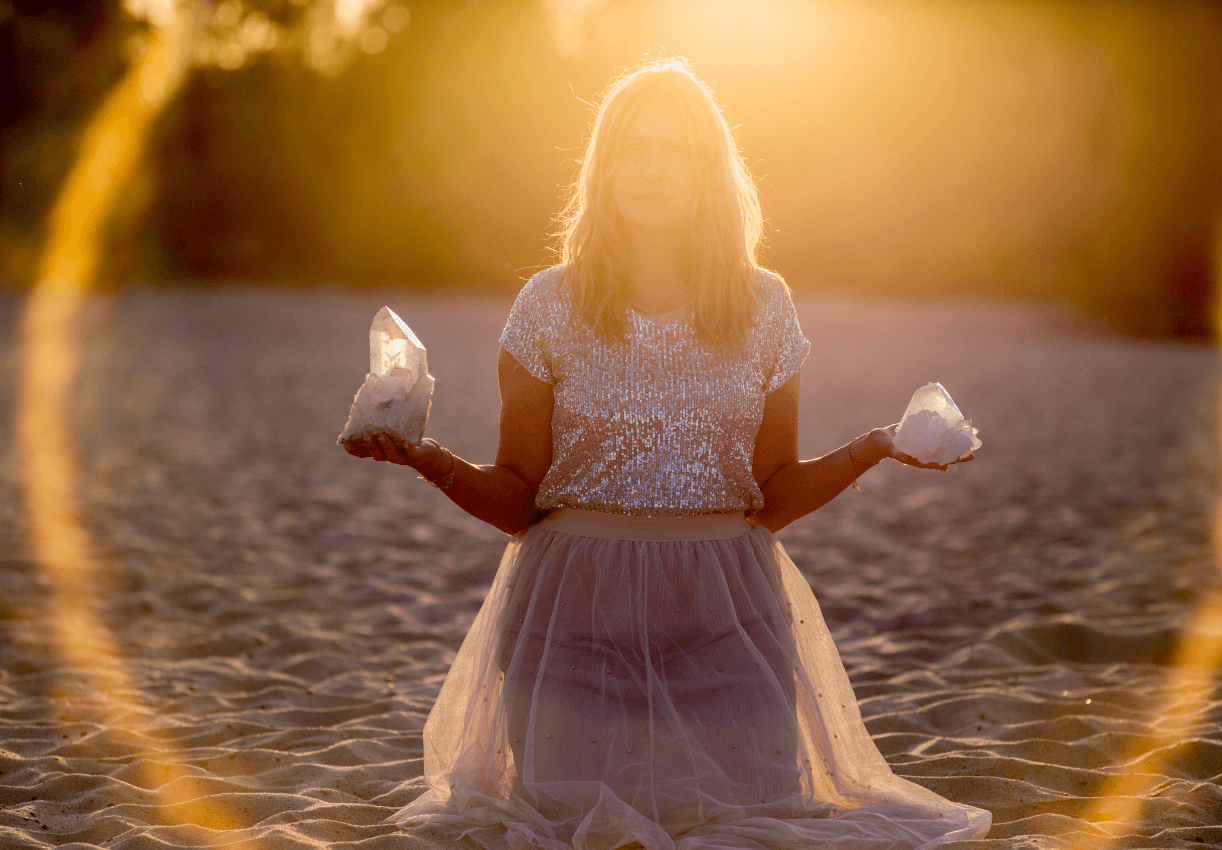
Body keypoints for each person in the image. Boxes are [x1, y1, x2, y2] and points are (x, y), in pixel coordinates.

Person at [343, 59, 990, 850]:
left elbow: (772, 499)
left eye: (674, 150)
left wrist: (877, 446)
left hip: (725, 619)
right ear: (603, 169)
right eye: (633, 149)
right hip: (572, 624)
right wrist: (427, 457)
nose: (652, 169)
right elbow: (518, 500)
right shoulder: (547, 303)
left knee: (745, 822)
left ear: (706, 170)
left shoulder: (764, 306)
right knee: (578, 828)